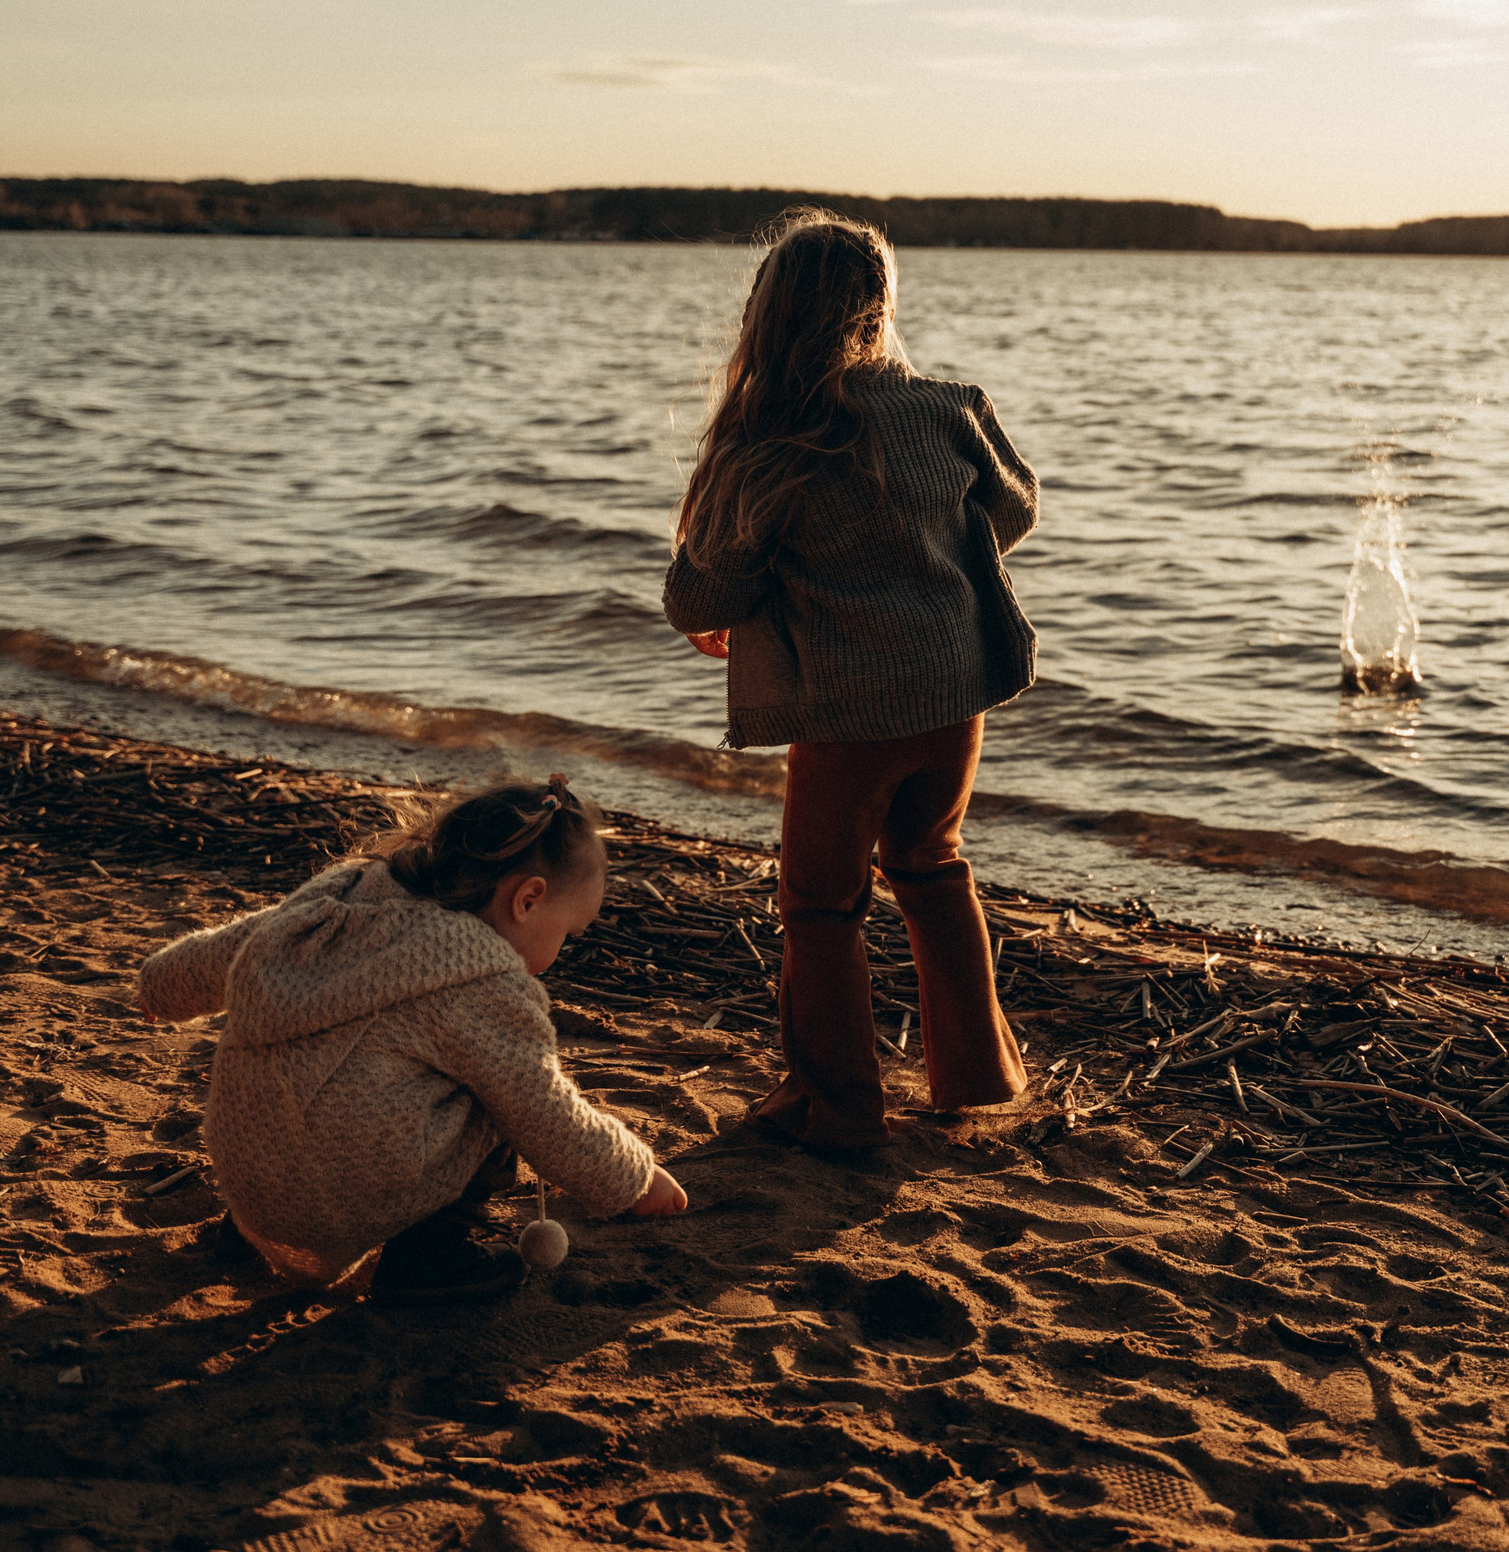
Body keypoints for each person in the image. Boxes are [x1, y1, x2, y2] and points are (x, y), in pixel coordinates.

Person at [664, 209, 1038, 1150]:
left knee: (821, 904)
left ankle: (837, 1106)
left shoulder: (770, 443)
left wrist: (744, 605)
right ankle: (976, 1079)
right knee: (931, 865)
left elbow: (698, 591)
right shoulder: (950, 407)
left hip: (846, 713)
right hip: (955, 693)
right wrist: (930, 546)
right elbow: (1016, 508)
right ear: (879, 308)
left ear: (768, 315)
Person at [136, 776, 686, 1304]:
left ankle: (240, 1236)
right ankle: (428, 1260)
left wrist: (160, 986)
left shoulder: (349, 890)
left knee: (329, 1078)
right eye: (568, 933)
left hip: (249, 1176)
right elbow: (547, 1115)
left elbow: (235, 946)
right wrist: (636, 1180)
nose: (561, 950)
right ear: (528, 899)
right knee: (498, 1100)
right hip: (332, 1196)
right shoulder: (481, 982)